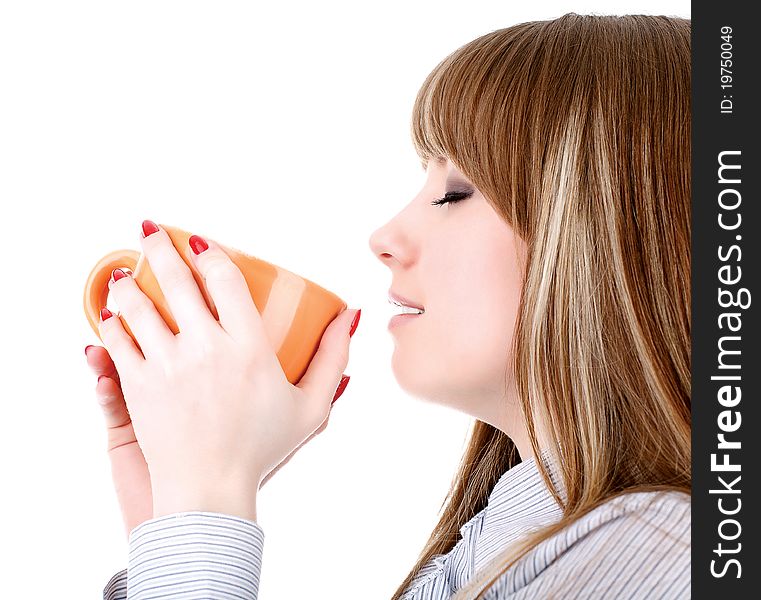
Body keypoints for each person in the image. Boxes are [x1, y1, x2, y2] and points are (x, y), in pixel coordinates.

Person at [86, 12, 691, 599]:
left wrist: (205, 504)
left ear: (616, 232)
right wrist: (170, 527)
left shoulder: (665, 550)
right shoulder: (505, 539)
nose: (385, 236)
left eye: (455, 192)